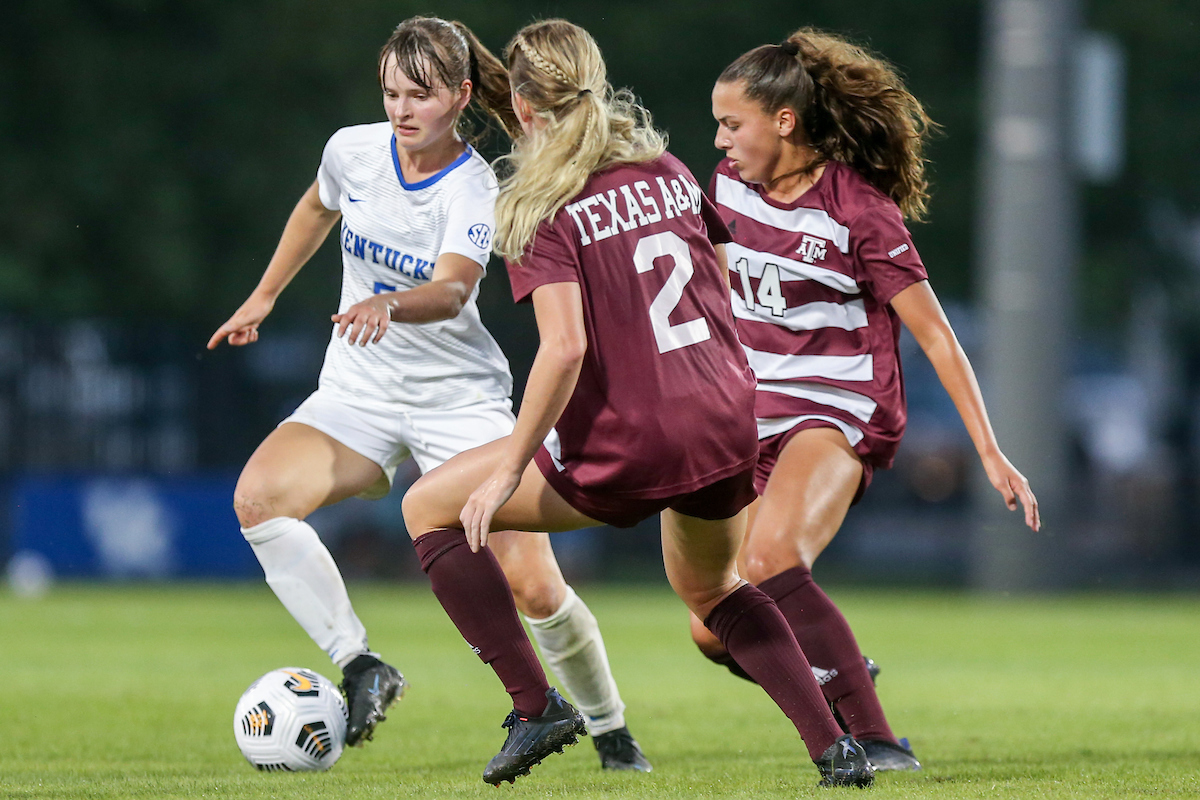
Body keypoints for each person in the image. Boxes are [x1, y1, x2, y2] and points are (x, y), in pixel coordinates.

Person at [400, 18, 875, 788]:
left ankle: (535, 706)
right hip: (727, 420)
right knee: (716, 590)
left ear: (523, 107)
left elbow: (564, 349)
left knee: (429, 506)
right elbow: (722, 283)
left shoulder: (538, 205)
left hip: (632, 437)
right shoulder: (669, 169)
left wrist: (507, 469)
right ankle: (836, 749)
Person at [206, 16, 650, 771]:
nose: (402, 110)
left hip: (458, 401)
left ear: (462, 95)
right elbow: (318, 206)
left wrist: (390, 303)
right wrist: (264, 294)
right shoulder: (352, 151)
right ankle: (359, 664)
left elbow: (450, 292)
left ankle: (611, 732)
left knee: (537, 588)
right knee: (258, 499)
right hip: (360, 389)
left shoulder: (474, 185)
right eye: (390, 93)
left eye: (421, 94)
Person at [690, 28, 1041, 771]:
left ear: (784, 121)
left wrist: (990, 450)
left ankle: (880, 741)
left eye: (731, 123)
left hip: (838, 407)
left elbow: (939, 337)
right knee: (712, 626)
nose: (719, 140)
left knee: (772, 556)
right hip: (751, 413)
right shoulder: (724, 188)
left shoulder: (860, 210)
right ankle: (833, 673)